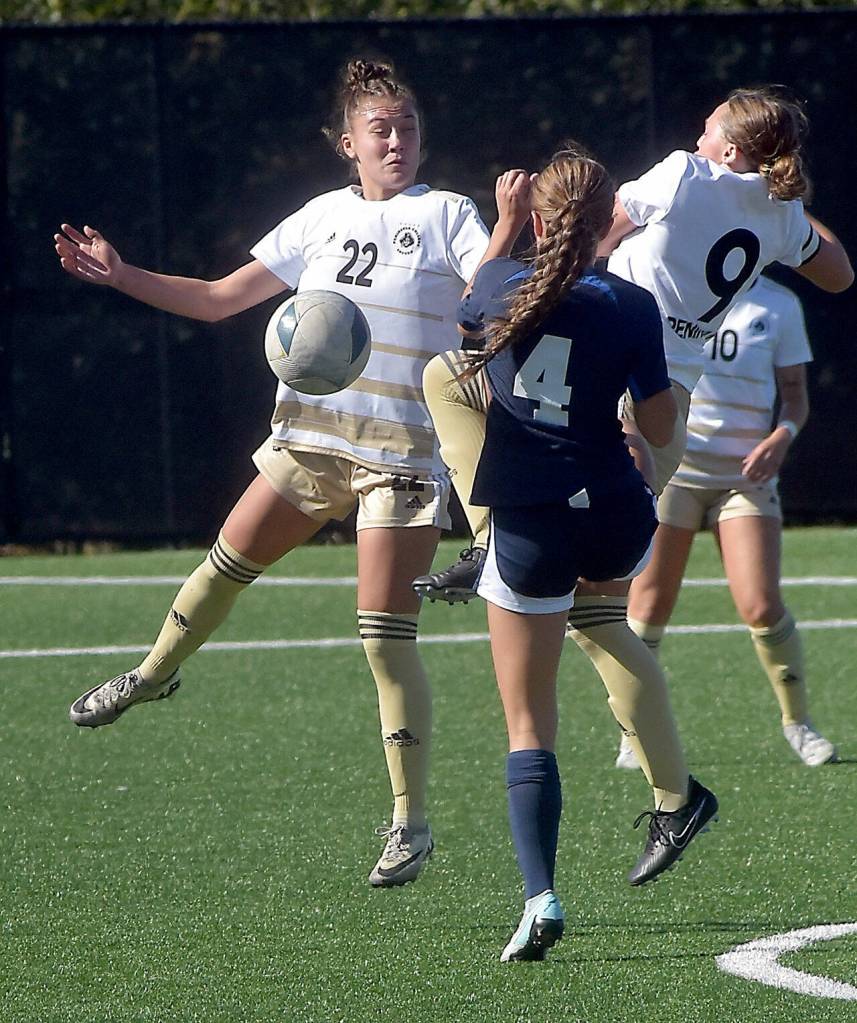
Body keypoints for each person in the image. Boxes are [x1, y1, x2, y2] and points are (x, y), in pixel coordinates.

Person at [53, 58, 492, 888]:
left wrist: (505, 258)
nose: (396, 141)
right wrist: (122, 275)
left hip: (395, 459)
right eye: (380, 129)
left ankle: (410, 823)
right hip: (308, 442)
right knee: (222, 565)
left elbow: (489, 285)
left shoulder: (445, 214)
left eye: (407, 127)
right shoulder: (319, 217)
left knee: (384, 641)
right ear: (346, 144)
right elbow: (221, 299)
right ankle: (152, 675)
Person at [414, 85, 852, 606]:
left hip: (606, 362)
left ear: (731, 150)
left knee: (447, 380)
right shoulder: (781, 218)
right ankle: (499, 547)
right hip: (671, 401)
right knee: (599, 606)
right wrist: (783, 201)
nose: (697, 138)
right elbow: (840, 275)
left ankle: (488, 537)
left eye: (708, 130)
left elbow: (594, 236)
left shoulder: (685, 172)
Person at [456, 146, 719, 963]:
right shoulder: (632, 303)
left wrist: (501, 225)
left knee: (529, 721)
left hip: (531, 522)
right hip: (615, 514)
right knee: (604, 622)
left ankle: (539, 897)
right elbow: (663, 424)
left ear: (537, 217)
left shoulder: (500, 285)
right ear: (609, 218)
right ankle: (676, 793)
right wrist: (646, 457)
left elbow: (472, 306)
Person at [617, 276, 836, 770]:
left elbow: (796, 399)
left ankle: (797, 722)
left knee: (760, 604)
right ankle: (635, 731)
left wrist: (782, 437)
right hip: (675, 472)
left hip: (743, 480)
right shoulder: (678, 291)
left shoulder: (779, 305)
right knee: (648, 603)